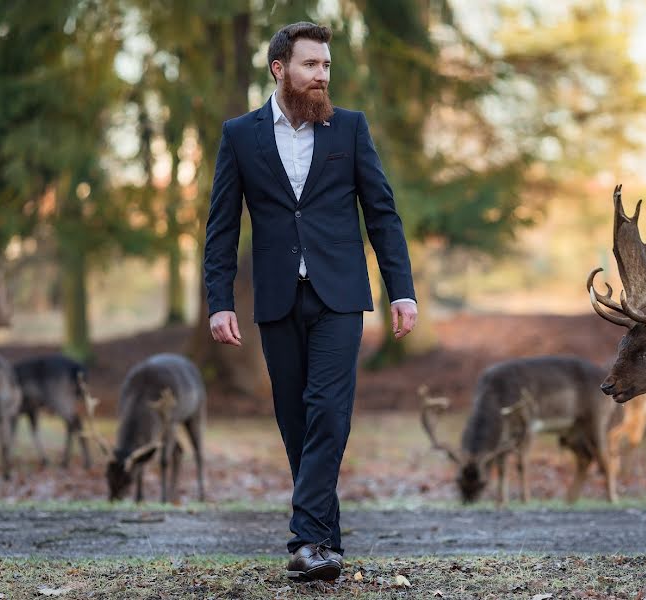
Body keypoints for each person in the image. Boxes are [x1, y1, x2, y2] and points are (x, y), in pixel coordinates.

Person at [204, 21, 417, 582]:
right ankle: (326, 547)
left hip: (340, 296)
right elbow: (221, 227)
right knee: (295, 420)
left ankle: (303, 538)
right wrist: (218, 301)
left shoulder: (349, 129)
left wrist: (402, 289)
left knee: (327, 409)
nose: (322, 76)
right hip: (276, 299)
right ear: (280, 69)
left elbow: (382, 213)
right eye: (311, 66)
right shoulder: (239, 136)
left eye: (326, 66)